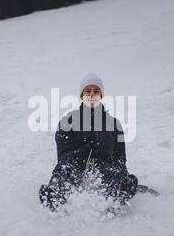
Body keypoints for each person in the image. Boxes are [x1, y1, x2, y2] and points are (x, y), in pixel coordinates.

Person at [39, 73, 138, 211]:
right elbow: (62, 157)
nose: (92, 95)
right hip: (76, 168)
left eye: (96, 91)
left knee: (112, 172)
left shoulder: (115, 125)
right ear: (82, 95)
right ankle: (55, 196)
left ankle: (117, 196)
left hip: (103, 170)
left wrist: (121, 176)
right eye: (88, 91)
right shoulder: (67, 122)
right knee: (65, 168)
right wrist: (82, 151)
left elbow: (120, 159)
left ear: (101, 95)